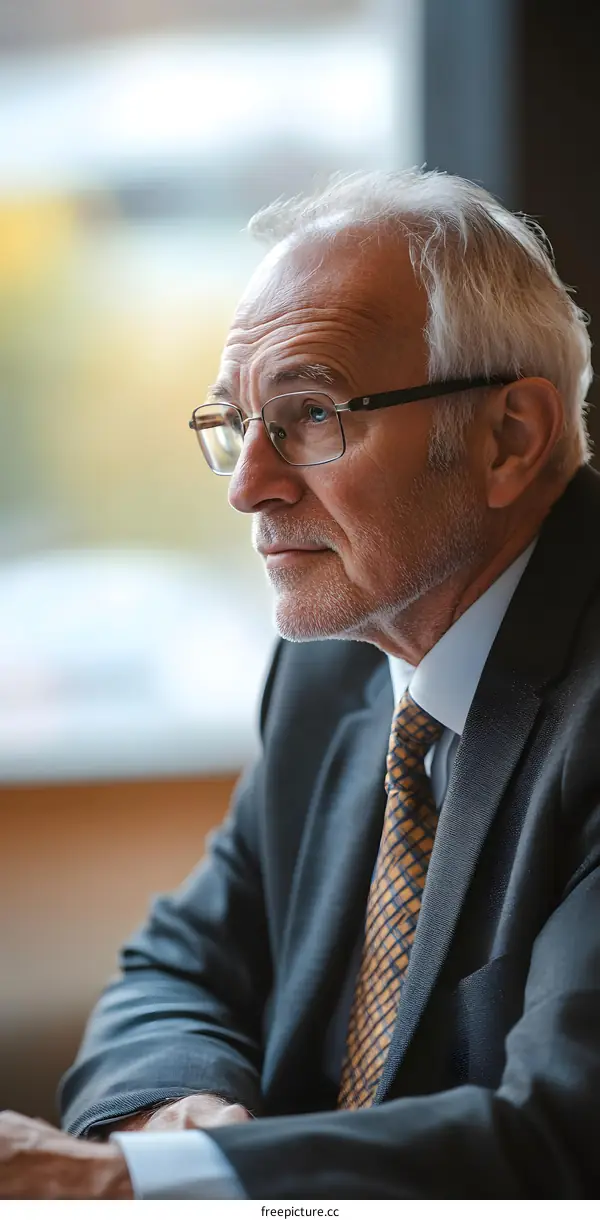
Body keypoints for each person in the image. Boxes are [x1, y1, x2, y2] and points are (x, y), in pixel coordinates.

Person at [2, 167, 600, 1200]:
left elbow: (563, 1139)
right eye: (237, 422)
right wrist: (175, 1116)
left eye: (312, 413)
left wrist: (128, 1184)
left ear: (510, 437)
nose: (248, 485)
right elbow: (180, 961)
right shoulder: (335, 665)